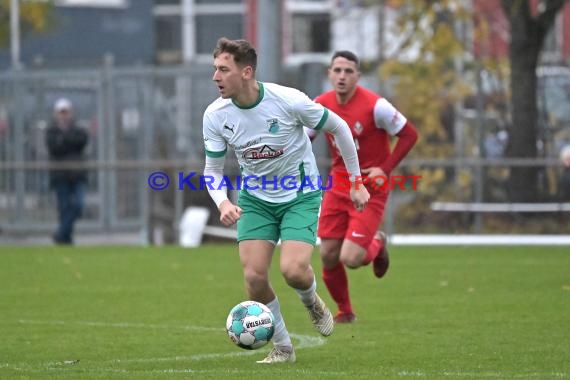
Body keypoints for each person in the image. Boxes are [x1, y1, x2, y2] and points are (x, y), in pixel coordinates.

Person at [202, 38, 369, 364]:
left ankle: (311, 301)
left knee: (293, 270)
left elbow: (340, 127)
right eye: (215, 69)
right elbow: (212, 169)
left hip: (300, 194)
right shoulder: (215, 115)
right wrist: (222, 202)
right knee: (253, 278)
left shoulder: (288, 100)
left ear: (246, 72)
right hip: (255, 199)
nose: (215, 76)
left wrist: (356, 182)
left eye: (224, 69)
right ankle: (283, 348)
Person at [309, 51, 418, 323]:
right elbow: (303, 139)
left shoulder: (376, 106)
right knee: (328, 253)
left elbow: (409, 135)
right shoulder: (320, 105)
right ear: (329, 74)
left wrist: (385, 168)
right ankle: (345, 311)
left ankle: (377, 242)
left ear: (358, 76)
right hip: (338, 184)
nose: (342, 76)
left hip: (370, 185)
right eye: (337, 70)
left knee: (352, 258)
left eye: (348, 71)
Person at [46, 98, 89, 245]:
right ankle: (66, 238)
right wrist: (67, 141)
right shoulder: (51, 131)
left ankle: (60, 233)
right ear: (56, 114)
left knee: (78, 205)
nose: (64, 115)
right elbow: (55, 148)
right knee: (64, 207)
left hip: (77, 174)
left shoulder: (79, 130)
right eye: (61, 112)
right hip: (60, 175)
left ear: (71, 113)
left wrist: (64, 140)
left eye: (66, 112)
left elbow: (81, 142)